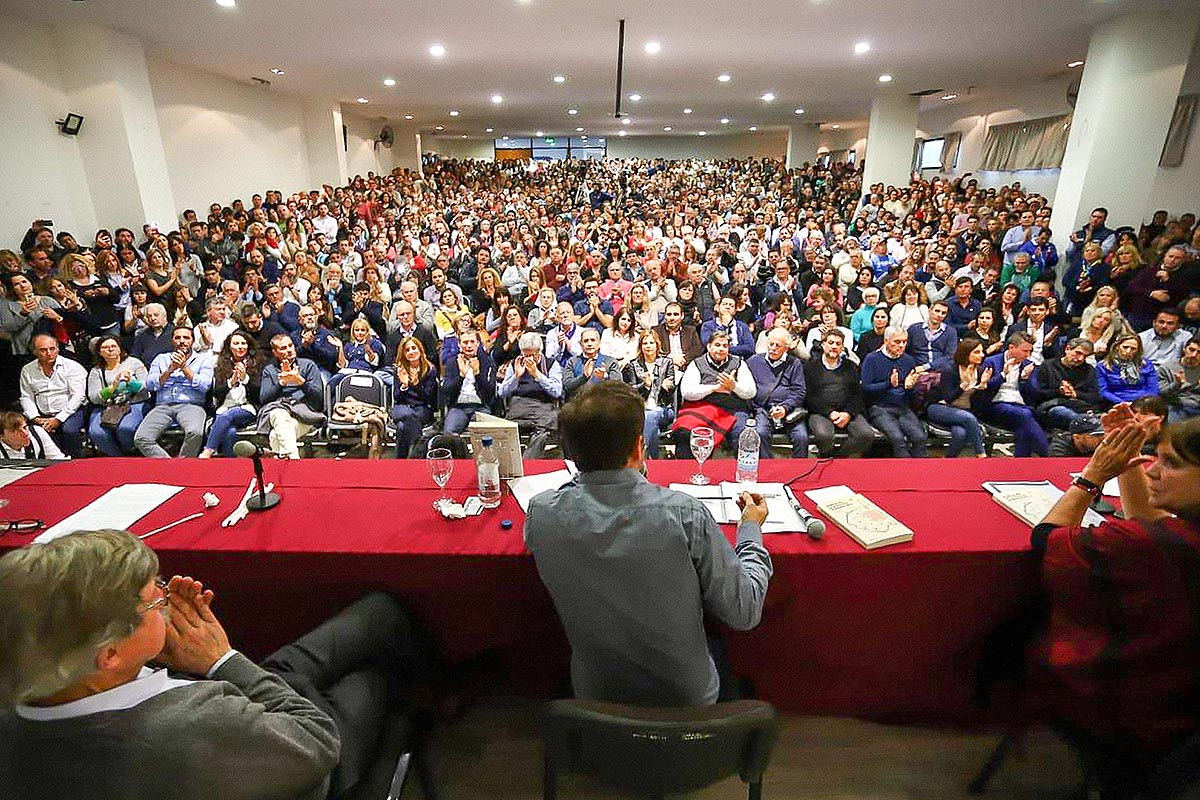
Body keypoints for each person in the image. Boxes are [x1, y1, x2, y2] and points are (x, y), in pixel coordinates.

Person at [0, 529, 427, 800]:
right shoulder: (186, 730)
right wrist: (221, 660)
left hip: (247, 727)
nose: (167, 601)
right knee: (375, 674)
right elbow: (317, 739)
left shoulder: (26, 706)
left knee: (379, 614)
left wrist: (159, 656)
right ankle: (420, 702)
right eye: (157, 599)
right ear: (108, 652)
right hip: (308, 754)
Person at [524, 380, 772, 706]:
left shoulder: (542, 513)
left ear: (570, 451)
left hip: (596, 696)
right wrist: (750, 529)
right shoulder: (684, 513)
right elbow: (744, 610)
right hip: (686, 699)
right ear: (640, 447)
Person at [1033, 411, 1200, 799]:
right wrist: (1127, 463)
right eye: (1151, 457)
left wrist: (1092, 477)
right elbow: (1151, 525)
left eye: (1171, 464)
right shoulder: (1170, 542)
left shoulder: (1150, 546)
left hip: (1145, 706)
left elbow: (1047, 539)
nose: (1153, 471)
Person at [134, 327, 213, 459]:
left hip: (191, 405)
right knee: (141, 438)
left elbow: (205, 386)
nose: (182, 341)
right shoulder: (161, 359)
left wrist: (184, 368)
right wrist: (169, 371)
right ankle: (169, 465)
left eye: (186, 338)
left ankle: (183, 465)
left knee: (196, 433)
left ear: (193, 341)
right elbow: (150, 384)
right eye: (177, 338)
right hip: (162, 405)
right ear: (172, 340)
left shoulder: (202, 360)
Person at [675, 331, 756, 459]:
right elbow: (687, 392)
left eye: (725, 346)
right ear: (709, 346)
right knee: (686, 432)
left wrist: (733, 386)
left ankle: (741, 473)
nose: (721, 349)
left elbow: (751, 391)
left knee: (743, 434)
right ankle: (689, 472)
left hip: (734, 409)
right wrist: (714, 388)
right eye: (717, 345)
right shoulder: (696, 364)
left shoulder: (739, 363)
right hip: (702, 406)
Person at [805, 328, 876, 458]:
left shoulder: (851, 366)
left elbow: (857, 394)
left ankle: (838, 457)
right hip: (821, 412)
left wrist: (847, 413)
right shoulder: (810, 366)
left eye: (838, 344)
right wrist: (830, 413)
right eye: (831, 342)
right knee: (824, 436)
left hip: (847, 411)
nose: (834, 347)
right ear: (823, 344)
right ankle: (826, 457)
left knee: (866, 435)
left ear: (842, 347)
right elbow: (809, 396)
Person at [976, 332, 1049, 457]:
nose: (1028, 355)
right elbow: (985, 390)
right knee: (1026, 415)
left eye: (1030, 351)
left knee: (1023, 427)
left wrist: (1025, 379)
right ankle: (1049, 455)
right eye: (1025, 351)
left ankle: (1021, 463)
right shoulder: (992, 362)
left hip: (1020, 405)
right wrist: (1003, 374)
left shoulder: (1028, 365)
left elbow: (1033, 395)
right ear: (1011, 348)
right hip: (995, 404)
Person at [860, 326, 929, 458]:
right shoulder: (872, 359)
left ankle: (920, 472)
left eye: (904, 342)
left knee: (919, 437)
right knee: (898, 439)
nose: (901, 346)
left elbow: (911, 393)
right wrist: (888, 384)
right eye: (897, 342)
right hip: (879, 407)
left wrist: (910, 388)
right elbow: (866, 388)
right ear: (886, 341)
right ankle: (904, 473)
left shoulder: (908, 360)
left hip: (902, 407)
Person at [19, 334, 87, 458]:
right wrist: (35, 418)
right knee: (33, 430)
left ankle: (76, 462)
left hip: (71, 411)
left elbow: (78, 396)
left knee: (69, 431)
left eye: (52, 349)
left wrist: (58, 419)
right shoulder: (27, 370)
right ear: (35, 351)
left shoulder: (72, 367)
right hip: (41, 413)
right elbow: (26, 397)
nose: (49, 353)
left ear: (58, 349)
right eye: (43, 350)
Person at [258, 334, 325, 459]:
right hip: (281, 413)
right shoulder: (270, 370)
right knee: (278, 414)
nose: (289, 350)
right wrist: (281, 383)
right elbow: (264, 399)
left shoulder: (308, 365)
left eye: (290, 346)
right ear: (275, 352)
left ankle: (287, 464)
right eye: (283, 348)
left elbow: (318, 399)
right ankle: (293, 462)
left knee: (274, 435)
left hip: (305, 416)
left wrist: (300, 381)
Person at [497, 332, 563, 454]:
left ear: (540, 352)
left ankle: (527, 463)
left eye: (533, 355)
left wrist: (537, 374)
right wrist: (516, 377)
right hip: (519, 406)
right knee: (506, 431)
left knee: (543, 433)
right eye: (525, 354)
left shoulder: (551, 364)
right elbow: (502, 393)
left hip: (543, 406)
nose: (529, 359)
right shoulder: (515, 364)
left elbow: (557, 391)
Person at [747, 328, 809, 458]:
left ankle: (800, 471)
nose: (773, 348)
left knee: (801, 437)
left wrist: (785, 407)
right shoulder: (754, 361)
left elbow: (799, 391)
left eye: (778, 345)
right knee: (760, 433)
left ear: (786, 348)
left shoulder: (794, 363)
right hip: (763, 410)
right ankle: (768, 470)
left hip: (789, 410)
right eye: (771, 344)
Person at [199, 331, 262, 458]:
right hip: (225, 406)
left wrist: (245, 379)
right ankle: (232, 465)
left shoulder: (258, 364)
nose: (240, 347)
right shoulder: (221, 366)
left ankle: (208, 450)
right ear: (229, 347)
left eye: (243, 343)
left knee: (227, 415)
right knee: (230, 432)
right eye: (236, 343)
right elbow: (216, 393)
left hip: (247, 408)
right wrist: (231, 382)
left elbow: (259, 394)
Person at [86, 335, 150, 457]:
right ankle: (118, 458)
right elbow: (93, 397)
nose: (110, 349)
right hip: (108, 406)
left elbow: (147, 385)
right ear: (99, 352)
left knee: (126, 428)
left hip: (134, 403)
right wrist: (112, 387)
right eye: (105, 347)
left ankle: (131, 453)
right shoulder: (96, 371)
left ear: (120, 349)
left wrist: (131, 382)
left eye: (113, 346)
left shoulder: (134, 363)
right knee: (96, 432)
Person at [926, 339, 989, 458]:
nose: (982, 355)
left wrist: (983, 387)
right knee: (969, 418)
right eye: (976, 352)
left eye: (981, 351)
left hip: (963, 411)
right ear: (966, 354)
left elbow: (979, 405)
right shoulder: (950, 370)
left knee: (960, 434)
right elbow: (949, 398)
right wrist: (963, 385)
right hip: (940, 407)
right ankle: (981, 454)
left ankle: (949, 462)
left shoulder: (980, 371)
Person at [622, 331, 676, 458]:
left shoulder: (666, 363)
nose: (648, 346)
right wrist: (645, 386)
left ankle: (642, 457)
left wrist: (665, 388)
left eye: (651, 343)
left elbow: (671, 390)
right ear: (640, 346)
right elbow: (631, 393)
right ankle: (653, 460)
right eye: (645, 343)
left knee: (650, 415)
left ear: (657, 345)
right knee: (651, 423)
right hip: (640, 409)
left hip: (664, 409)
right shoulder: (633, 366)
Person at [1032, 337, 1102, 430]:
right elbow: (1038, 394)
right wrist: (1059, 391)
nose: (1080, 358)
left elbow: (1095, 396)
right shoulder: (1048, 366)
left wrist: (1075, 394)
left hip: (1081, 406)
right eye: (1078, 353)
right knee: (1067, 414)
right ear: (1067, 349)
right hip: (1053, 406)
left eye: (1085, 356)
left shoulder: (1089, 370)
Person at [389, 336, 439, 458]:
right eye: (407, 350)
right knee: (406, 415)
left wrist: (416, 384)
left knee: (402, 427)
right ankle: (418, 453)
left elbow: (428, 398)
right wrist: (404, 385)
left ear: (420, 350)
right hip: (402, 407)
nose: (411, 352)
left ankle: (400, 460)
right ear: (403, 353)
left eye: (413, 348)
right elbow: (396, 397)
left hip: (421, 408)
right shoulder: (399, 369)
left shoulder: (430, 370)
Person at [441, 328, 496, 434]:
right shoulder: (452, 362)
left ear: (478, 343)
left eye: (472, 342)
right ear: (459, 345)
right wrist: (461, 376)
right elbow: (447, 391)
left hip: (481, 406)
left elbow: (490, 392)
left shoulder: (487, 361)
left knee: (484, 434)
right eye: (465, 342)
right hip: (458, 407)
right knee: (448, 433)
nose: (469, 346)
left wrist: (477, 374)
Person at [1097, 333, 1160, 407]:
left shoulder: (1145, 364)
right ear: (1117, 346)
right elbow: (1103, 391)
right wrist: (1122, 403)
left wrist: (1142, 403)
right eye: (1125, 347)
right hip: (1117, 403)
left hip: (1143, 404)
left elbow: (1153, 388)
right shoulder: (1103, 366)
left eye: (1133, 349)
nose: (1128, 351)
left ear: (1138, 350)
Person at [563, 327, 622, 400]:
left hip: (604, 405)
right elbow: (568, 386)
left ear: (599, 343)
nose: (589, 344)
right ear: (581, 344)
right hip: (578, 405)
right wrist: (583, 377)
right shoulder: (572, 362)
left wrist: (605, 377)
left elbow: (618, 387)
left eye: (593, 340)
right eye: (586, 341)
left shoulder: (611, 362)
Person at [1158, 334, 1200, 423]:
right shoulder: (1167, 368)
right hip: (1177, 405)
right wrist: (1177, 384)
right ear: (1184, 349)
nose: (1194, 355)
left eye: (1199, 352)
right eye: (1191, 350)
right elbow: (1161, 393)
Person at [0, 411, 67, 460]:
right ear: (1, 436)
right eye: (15, 431)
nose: (25, 433)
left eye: (24, 427)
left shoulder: (36, 432)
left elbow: (57, 459)